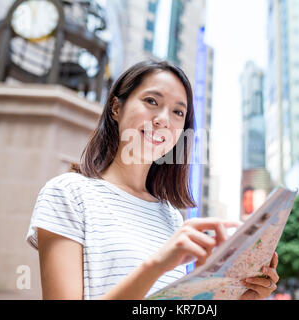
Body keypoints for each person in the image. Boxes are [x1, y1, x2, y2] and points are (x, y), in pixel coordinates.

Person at [26, 60, 279, 300]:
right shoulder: (68, 193)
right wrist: (157, 264)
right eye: (151, 101)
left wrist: (226, 293)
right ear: (116, 107)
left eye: (178, 112)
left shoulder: (170, 217)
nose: (164, 120)